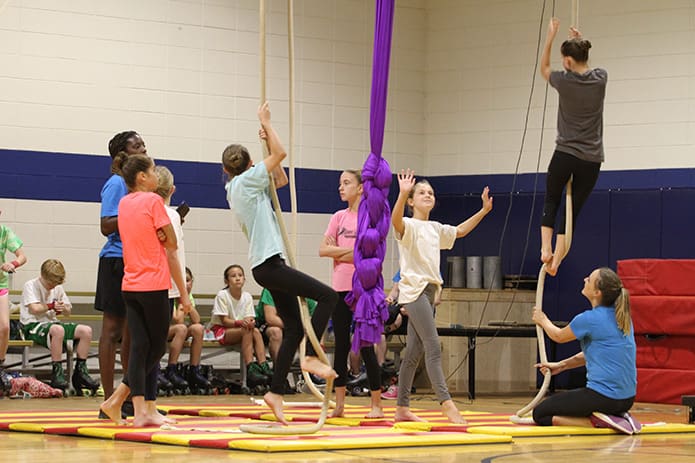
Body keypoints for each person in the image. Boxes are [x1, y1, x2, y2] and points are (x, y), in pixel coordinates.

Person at [222, 101, 337, 424]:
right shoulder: (245, 182)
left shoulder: (240, 184)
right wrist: (268, 125)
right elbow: (282, 153)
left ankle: (274, 392)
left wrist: (266, 143)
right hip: (270, 264)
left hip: (267, 264)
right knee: (329, 296)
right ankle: (312, 357)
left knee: (294, 328)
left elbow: (280, 180)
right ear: (245, 166)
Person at [391, 169, 492, 423]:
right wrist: (402, 195)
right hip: (413, 292)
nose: (428, 195)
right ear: (412, 201)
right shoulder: (409, 225)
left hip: (429, 292)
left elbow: (459, 231)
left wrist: (483, 211)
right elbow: (396, 222)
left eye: (431, 193)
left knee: (414, 351)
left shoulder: (435, 228)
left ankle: (402, 407)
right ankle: (446, 404)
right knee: (433, 347)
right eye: (422, 192)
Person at [99, 154, 191, 426]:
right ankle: (117, 398)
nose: (155, 176)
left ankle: (142, 410)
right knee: (155, 350)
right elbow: (171, 250)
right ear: (141, 177)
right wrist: (184, 296)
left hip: (130, 284)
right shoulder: (153, 201)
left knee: (139, 347)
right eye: (152, 171)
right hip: (154, 284)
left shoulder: (125, 203)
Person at [531, 267, 641, 435]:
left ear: (597, 292)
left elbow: (558, 336)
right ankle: (616, 416)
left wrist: (543, 320)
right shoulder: (623, 318)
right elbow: (599, 354)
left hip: (604, 397)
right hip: (626, 399)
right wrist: (562, 365)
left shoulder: (589, 319)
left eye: (589, 279)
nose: (584, 279)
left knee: (540, 414)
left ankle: (601, 422)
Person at [540, 18, 606, 276]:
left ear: (566, 61)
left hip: (565, 154)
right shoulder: (601, 78)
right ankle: (556, 260)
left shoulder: (563, 81)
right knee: (571, 212)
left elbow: (544, 68)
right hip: (591, 159)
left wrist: (550, 37)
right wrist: (579, 42)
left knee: (552, 200)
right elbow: (584, 64)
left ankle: (546, 249)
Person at [319, 169, 383, 418]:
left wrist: (345, 252)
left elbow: (372, 256)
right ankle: (340, 405)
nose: (340, 188)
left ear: (361, 188)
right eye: (339, 184)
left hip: (363, 289)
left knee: (366, 345)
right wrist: (354, 253)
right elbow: (323, 250)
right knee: (342, 345)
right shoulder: (338, 217)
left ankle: (376, 404)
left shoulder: (370, 220)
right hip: (339, 288)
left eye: (346, 183)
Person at [95, 131, 147, 409]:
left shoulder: (138, 185)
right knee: (112, 331)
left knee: (132, 332)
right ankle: (107, 398)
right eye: (137, 145)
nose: (144, 148)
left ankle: (127, 398)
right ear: (123, 153)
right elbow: (106, 225)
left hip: (136, 261)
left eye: (143, 143)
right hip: (116, 260)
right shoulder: (116, 183)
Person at [153, 168, 210, 393]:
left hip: (141, 282)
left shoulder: (141, 211)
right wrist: (183, 294)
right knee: (154, 344)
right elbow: (172, 253)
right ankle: (141, 396)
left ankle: (138, 399)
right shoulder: (171, 215)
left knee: (146, 343)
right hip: (163, 284)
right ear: (172, 189)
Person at [20, 259, 100, 393]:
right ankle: (57, 372)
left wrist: (62, 308)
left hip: (52, 323)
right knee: (58, 330)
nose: (53, 286)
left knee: (86, 330)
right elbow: (34, 309)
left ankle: (80, 371)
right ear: (43, 276)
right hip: (32, 324)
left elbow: (68, 312)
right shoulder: (30, 285)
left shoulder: (57, 287)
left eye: (56, 283)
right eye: (51, 283)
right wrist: (51, 306)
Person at [209, 264, 272, 389]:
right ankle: (250, 369)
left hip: (242, 330)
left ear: (244, 279)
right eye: (233, 276)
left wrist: (250, 322)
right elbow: (225, 321)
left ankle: (263, 366)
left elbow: (250, 317)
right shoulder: (222, 295)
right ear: (227, 281)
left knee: (255, 331)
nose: (237, 278)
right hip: (222, 330)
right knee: (247, 330)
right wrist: (241, 323)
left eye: (240, 275)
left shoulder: (247, 296)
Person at [0, 215, 27, 394]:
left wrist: (12, 263)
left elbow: (22, 256)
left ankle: (0, 365)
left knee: (4, 328)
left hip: (0, 284)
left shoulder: (4, 231)